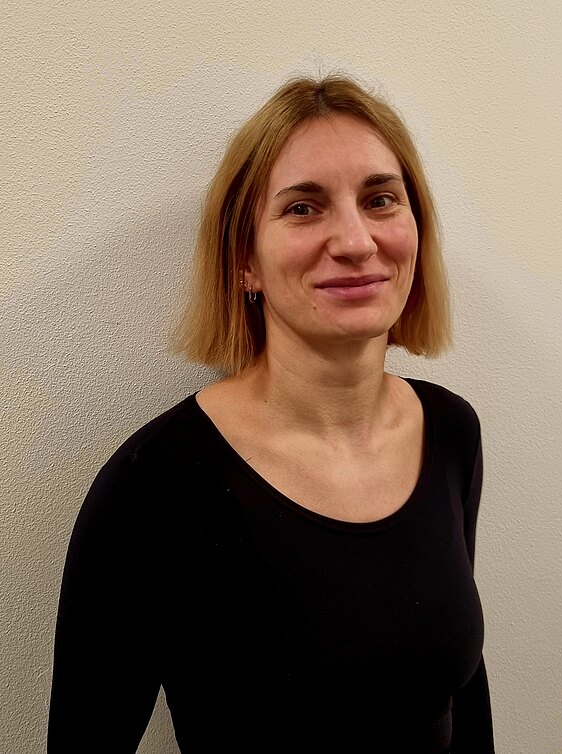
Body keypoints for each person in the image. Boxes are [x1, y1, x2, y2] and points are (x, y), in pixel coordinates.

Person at [47, 74, 495, 753]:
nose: (355, 241)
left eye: (380, 199)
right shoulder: (155, 484)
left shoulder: (452, 432)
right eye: (303, 208)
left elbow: (462, 694)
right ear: (244, 261)